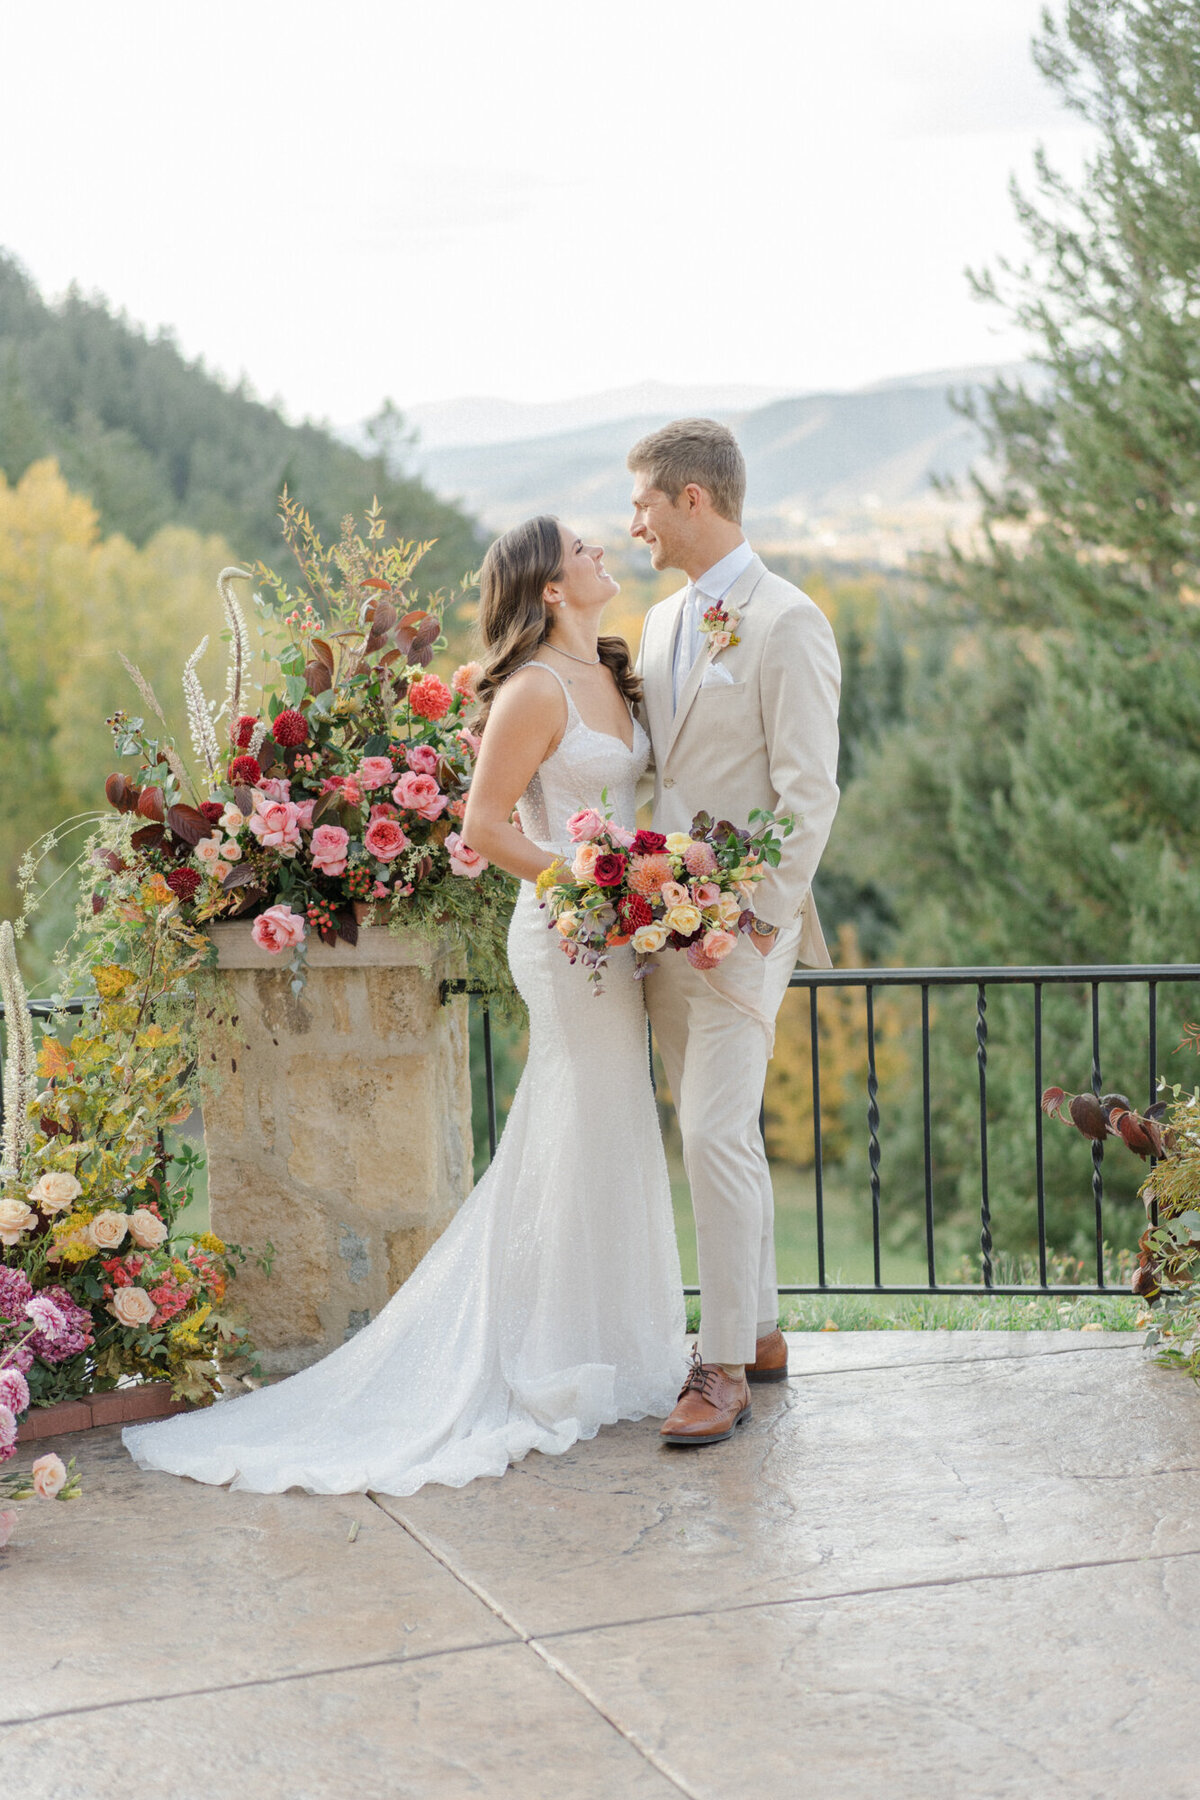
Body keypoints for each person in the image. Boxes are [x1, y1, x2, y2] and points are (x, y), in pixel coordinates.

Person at [122, 517, 685, 1496]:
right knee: (574, 1118)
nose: (601, 551)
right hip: (564, 934)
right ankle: (538, 1354)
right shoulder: (532, 690)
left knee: (611, 1122)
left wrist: (642, 887)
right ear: (550, 589)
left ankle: (610, 1341)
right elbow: (481, 824)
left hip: (615, 929)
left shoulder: (611, 671)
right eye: (583, 549)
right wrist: (587, 884)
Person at [629, 419, 841, 1447]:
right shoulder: (663, 618)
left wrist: (753, 922)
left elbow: (809, 794)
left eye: (644, 505)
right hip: (659, 928)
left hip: (743, 932)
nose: (634, 525)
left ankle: (716, 1370)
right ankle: (757, 1331)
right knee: (719, 1133)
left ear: (693, 501)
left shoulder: (789, 621)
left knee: (711, 1131)